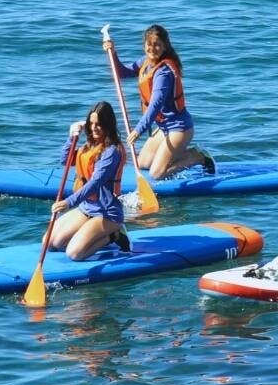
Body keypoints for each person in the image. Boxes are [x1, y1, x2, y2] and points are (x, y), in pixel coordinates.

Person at [103, 24, 214, 179]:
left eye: (157, 45)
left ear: (164, 47)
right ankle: (174, 154)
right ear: (144, 45)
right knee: (142, 163)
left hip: (179, 128)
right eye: (149, 44)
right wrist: (112, 53)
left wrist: (138, 130)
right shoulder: (146, 62)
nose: (152, 48)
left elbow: (156, 105)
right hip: (164, 128)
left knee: (156, 174)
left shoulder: (164, 72)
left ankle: (198, 156)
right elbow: (122, 72)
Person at [50, 101, 130, 261]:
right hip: (87, 207)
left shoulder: (112, 151)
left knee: (74, 253)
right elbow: (66, 160)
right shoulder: (89, 145)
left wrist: (68, 202)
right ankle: (94, 234)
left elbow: (96, 182)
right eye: (91, 124)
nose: (94, 128)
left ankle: (114, 236)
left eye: (99, 124)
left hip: (107, 213)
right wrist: (71, 136)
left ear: (108, 125)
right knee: (52, 242)